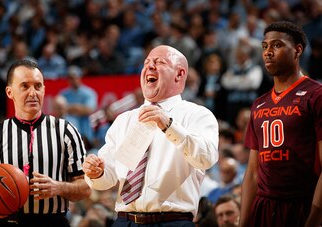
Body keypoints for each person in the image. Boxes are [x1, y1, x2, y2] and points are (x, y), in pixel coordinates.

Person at [82, 45, 219, 226]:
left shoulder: (197, 115)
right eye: (146, 63)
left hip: (172, 221)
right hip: (125, 221)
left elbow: (206, 158)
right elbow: (107, 178)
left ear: (179, 74)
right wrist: (96, 173)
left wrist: (169, 125)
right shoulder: (125, 120)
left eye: (159, 62)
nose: (150, 66)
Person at [0, 59, 92, 226]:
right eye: (25, 86)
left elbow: (86, 187)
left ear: (44, 90)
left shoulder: (66, 131)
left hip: (53, 222)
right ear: (10, 92)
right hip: (8, 222)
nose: (33, 92)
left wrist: (58, 187)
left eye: (38, 86)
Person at [239, 21, 322, 227]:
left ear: (297, 50)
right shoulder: (259, 104)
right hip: (264, 207)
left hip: (302, 205)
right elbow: (252, 173)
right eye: (265, 46)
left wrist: (313, 219)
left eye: (277, 45)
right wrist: (243, 222)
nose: (268, 52)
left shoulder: (316, 95)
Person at [59, 65, 98, 145]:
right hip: (68, 132)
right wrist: (79, 108)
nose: (73, 80)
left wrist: (69, 108)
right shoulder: (63, 94)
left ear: (80, 77)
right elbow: (60, 111)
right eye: (70, 78)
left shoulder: (89, 92)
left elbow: (89, 110)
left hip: (85, 131)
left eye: (75, 77)